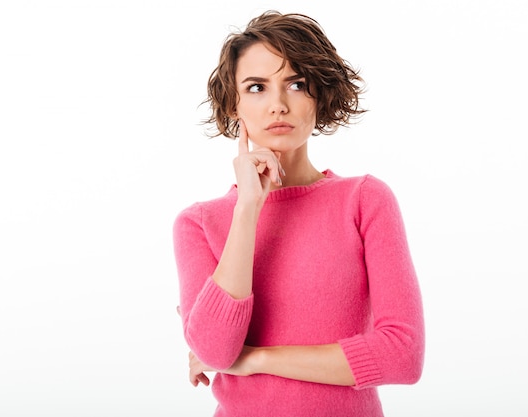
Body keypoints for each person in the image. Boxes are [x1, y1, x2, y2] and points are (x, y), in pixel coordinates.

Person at [172, 10, 425, 416]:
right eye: (256, 87)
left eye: (296, 84)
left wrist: (255, 359)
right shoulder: (199, 223)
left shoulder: (364, 200)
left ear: (319, 96)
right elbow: (216, 351)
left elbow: (402, 355)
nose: (278, 105)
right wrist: (248, 209)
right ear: (234, 104)